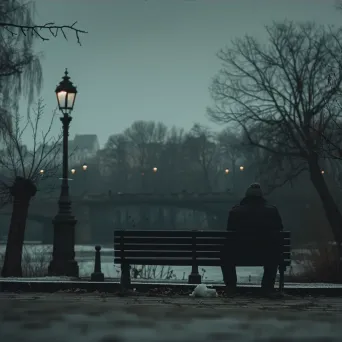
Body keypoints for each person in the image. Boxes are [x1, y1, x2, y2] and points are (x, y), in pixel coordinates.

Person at [221, 183, 284, 295]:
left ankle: (231, 286)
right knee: (273, 253)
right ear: (261, 197)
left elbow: (229, 233)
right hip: (266, 254)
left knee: (226, 255)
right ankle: (267, 287)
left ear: (246, 196)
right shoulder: (272, 211)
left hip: (239, 254)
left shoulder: (235, 212)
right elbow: (279, 231)